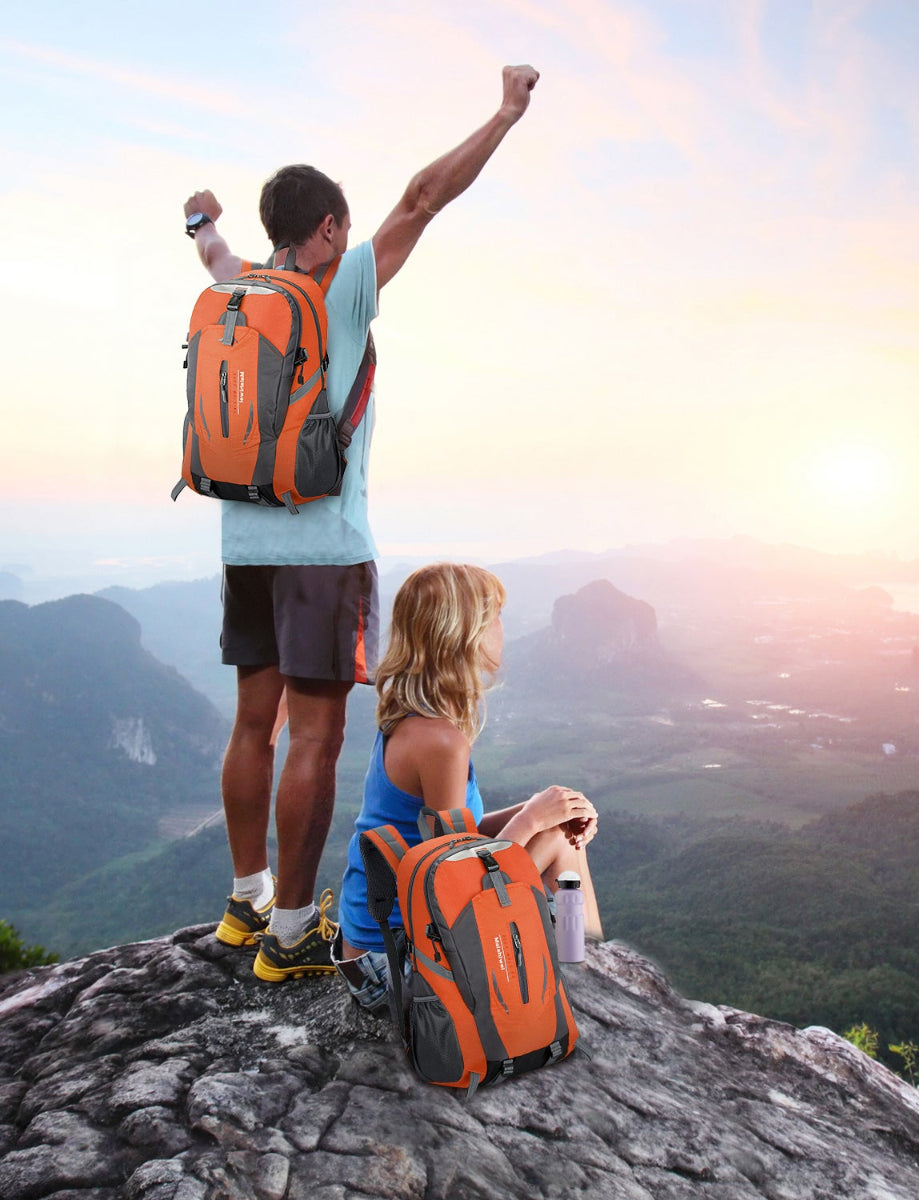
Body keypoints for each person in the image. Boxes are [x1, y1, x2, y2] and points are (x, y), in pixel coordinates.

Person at [184, 65, 542, 983]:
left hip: (242, 543)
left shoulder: (242, 284)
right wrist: (504, 111)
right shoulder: (339, 286)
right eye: (344, 226)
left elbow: (209, 253)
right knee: (314, 737)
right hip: (322, 552)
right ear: (332, 227)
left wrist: (202, 222)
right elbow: (426, 197)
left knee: (250, 725)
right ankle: (294, 932)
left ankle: (245, 899)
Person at [334, 563, 603, 1015]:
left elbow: (455, 837)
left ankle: (583, 959)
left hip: (373, 952)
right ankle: (589, 963)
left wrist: (545, 808)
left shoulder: (412, 717)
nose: (502, 628)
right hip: (396, 969)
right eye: (494, 617)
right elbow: (454, 886)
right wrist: (534, 819)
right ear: (464, 636)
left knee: (556, 831)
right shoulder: (443, 743)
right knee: (558, 843)